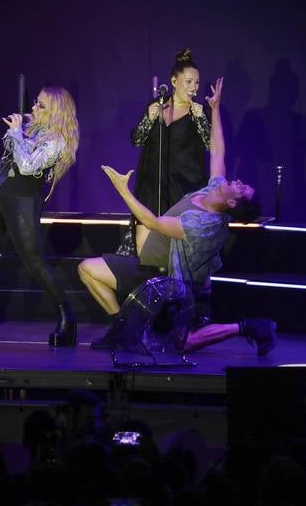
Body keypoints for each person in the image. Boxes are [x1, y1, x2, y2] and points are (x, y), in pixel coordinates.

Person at [79, 78, 277, 356]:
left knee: (183, 344)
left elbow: (154, 223)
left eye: (242, 188)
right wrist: (215, 109)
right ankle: (122, 329)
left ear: (232, 201)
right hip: (149, 270)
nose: (239, 181)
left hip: (169, 283)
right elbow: (218, 151)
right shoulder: (214, 189)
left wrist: (123, 191)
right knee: (87, 269)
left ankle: (248, 327)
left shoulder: (205, 224)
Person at [0, 86, 79, 348]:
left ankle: (67, 318)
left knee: (34, 263)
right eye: (35, 102)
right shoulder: (30, 129)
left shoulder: (57, 141)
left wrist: (16, 133)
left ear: (56, 112)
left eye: (41, 105)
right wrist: (17, 131)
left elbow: (28, 166)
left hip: (22, 204)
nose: (34, 108)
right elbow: (10, 153)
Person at [128, 48, 210, 255]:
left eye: (197, 82)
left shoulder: (197, 112)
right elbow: (137, 140)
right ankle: (146, 276)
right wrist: (148, 119)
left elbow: (211, 145)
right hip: (153, 186)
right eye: (188, 82)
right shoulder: (156, 107)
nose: (194, 87)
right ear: (174, 81)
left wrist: (201, 119)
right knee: (144, 246)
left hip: (184, 188)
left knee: (178, 250)